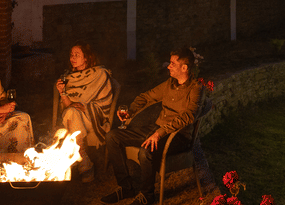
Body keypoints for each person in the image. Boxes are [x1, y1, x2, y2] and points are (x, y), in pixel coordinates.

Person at [101, 47, 203, 205]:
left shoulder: (195, 88)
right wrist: (131, 111)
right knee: (112, 136)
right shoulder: (169, 84)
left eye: (172, 64)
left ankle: (147, 196)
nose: (168, 66)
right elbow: (146, 96)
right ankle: (126, 187)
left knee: (145, 151)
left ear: (184, 68)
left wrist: (160, 133)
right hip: (157, 130)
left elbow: (188, 116)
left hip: (178, 137)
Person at [55, 42, 115, 182]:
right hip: (74, 117)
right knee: (71, 113)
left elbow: (106, 102)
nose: (73, 58)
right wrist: (62, 92)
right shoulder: (68, 78)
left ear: (86, 58)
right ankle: (84, 163)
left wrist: (87, 108)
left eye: (77, 55)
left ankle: (82, 163)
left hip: (92, 118)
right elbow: (68, 106)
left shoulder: (99, 74)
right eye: (71, 55)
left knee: (72, 114)